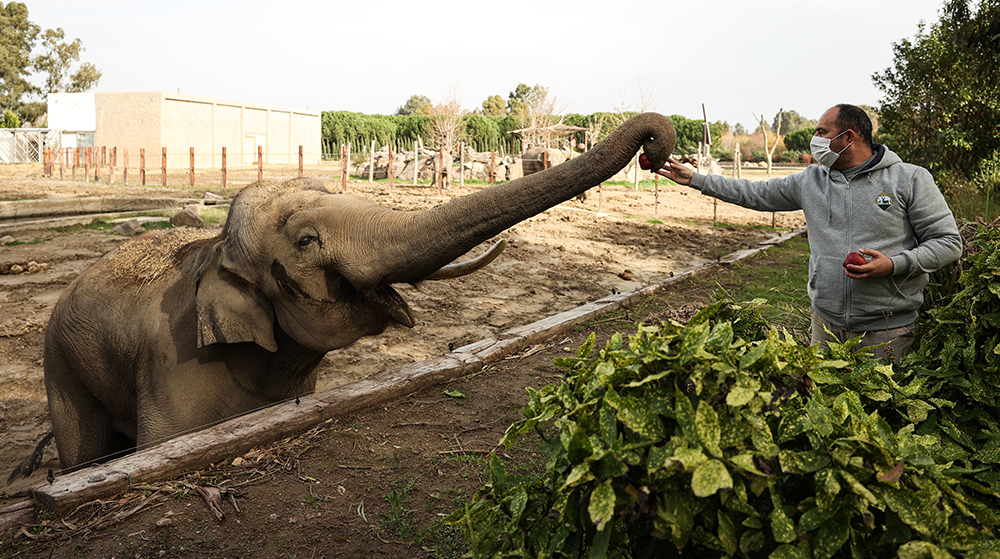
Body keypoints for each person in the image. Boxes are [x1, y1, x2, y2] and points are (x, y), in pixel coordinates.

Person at [655, 104, 963, 362]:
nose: (814, 140)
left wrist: (894, 265)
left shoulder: (909, 179)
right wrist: (696, 179)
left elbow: (948, 242)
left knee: (881, 410)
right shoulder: (810, 181)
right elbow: (754, 193)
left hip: (887, 330)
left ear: (848, 137)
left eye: (821, 132)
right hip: (825, 326)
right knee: (820, 408)